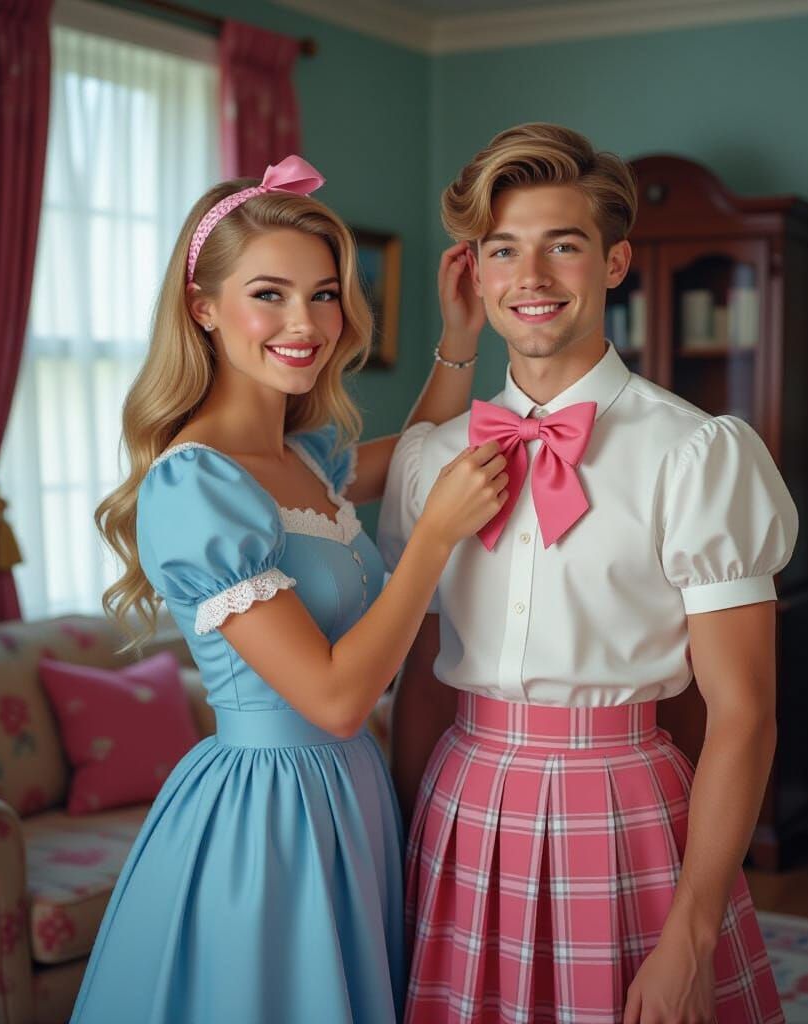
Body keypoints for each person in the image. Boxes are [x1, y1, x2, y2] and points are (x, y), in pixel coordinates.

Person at [74, 155, 506, 1024]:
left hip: (351, 795)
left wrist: (459, 339)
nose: (304, 323)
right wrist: (432, 539)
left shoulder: (304, 458)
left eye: (323, 294)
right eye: (268, 294)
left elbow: (420, 454)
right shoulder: (195, 485)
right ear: (203, 307)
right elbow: (338, 701)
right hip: (266, 815)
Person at [380, 124, 795, 1024]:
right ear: (476, 272)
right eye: (504, 250)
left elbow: (745, 712)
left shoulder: (698, 454)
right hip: (458, 807)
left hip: (624, 811)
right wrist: (402, 858)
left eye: (561, 245)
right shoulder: (429, 460)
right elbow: (421, 680)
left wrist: (691, 935)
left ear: (614, 263)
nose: (530, 276)